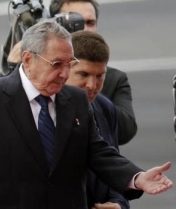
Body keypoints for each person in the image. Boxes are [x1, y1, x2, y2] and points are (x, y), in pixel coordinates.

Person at [0, 20, 172, 209]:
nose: (64, 74)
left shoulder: (76, 99)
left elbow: (98, 152)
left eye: (69, 64)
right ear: (28, 59)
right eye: (56, 64)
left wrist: (137, 178)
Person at [49, 0, 137, 145]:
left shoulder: (113, 79)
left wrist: (89, 94)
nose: (83, 29)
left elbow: (125, 132)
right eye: (74, 22)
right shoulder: (40, 78)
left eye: (90, 22)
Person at [66, 30, 128, 209]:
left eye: (100, 76)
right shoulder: (45, 111)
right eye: (83, 75)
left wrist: (118, 204)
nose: (92, 86)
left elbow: (111, 167)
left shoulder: (105, 107)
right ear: (65, 68)